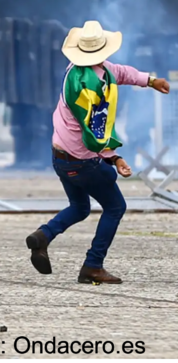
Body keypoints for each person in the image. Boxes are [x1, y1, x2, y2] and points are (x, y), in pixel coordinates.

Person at [26, 21, 170, 285]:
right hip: (82, 161)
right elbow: (95, 133)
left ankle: (43, 236)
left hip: (60, 156)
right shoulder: (88, 89)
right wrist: (115, 159)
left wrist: (149, 80)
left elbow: (120, 72)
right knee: (116, 206)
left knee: (80, 207)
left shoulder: (80, 70)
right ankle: (93, 265)